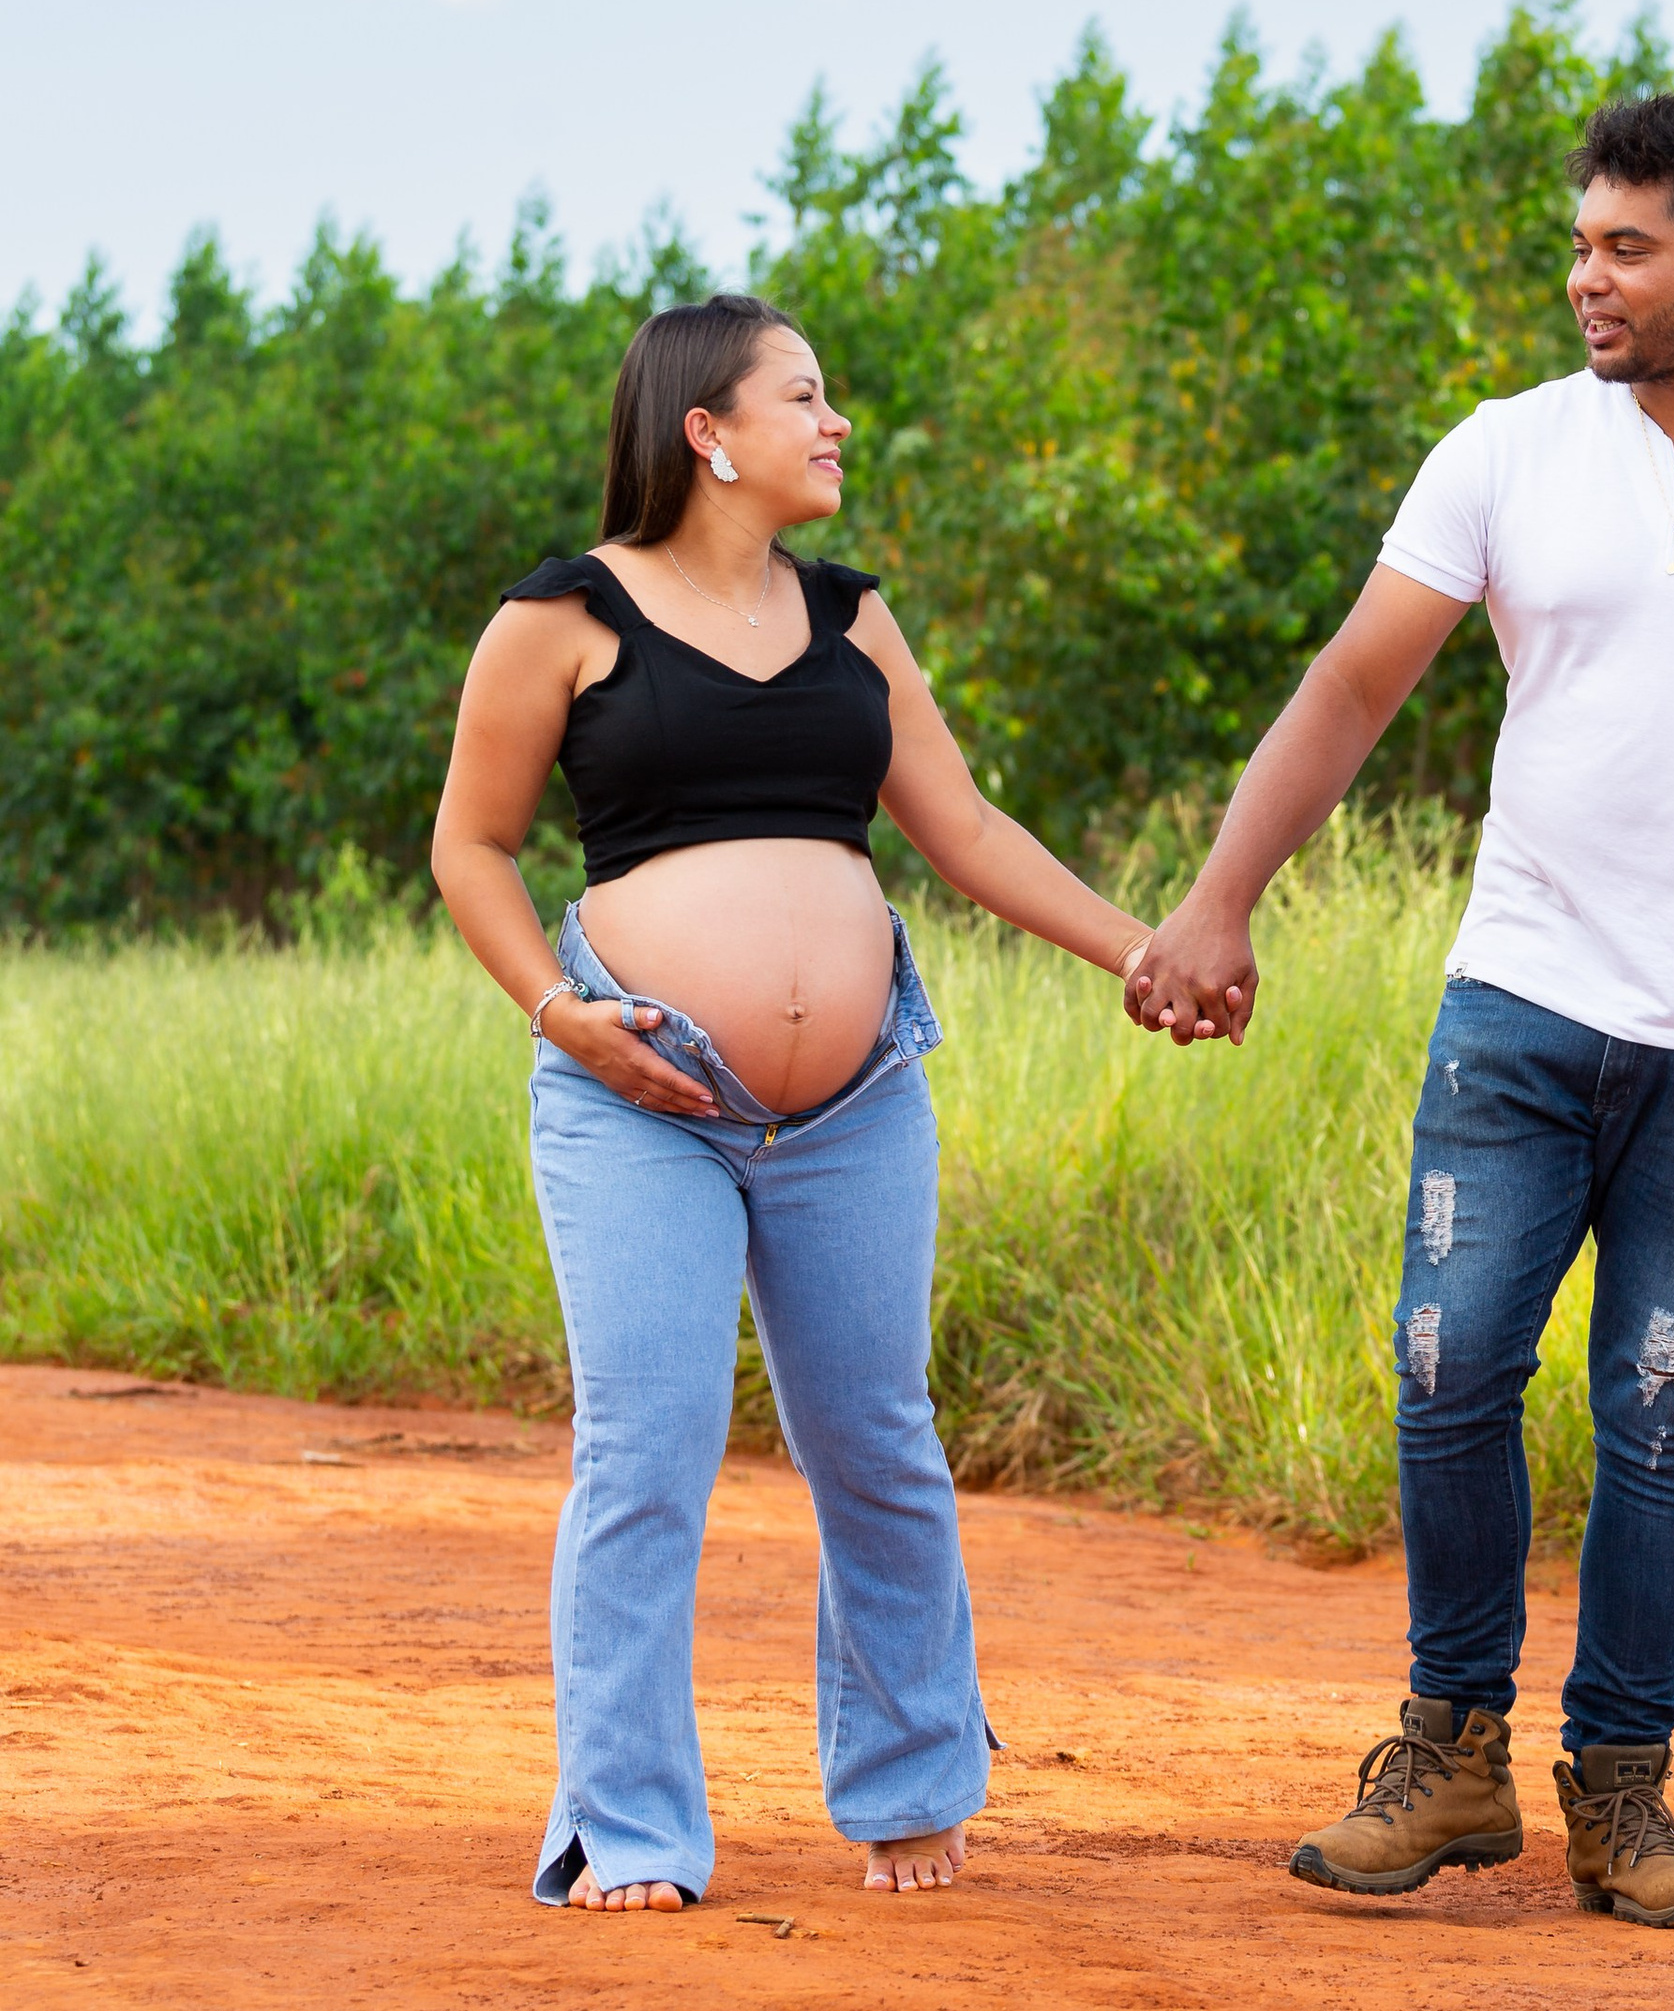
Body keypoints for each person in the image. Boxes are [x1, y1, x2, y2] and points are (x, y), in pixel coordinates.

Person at [1125, 93, 1674, 1931]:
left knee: (1664, 1409)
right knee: (1451, 1368)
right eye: (1582, 243)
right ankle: (1448, 1757)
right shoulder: (1505, 455)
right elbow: (1354, 687)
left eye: (1628, 248)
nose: (1587, 278)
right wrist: (1220, 894)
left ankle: (1622, 1788)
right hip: (1521, 996)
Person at [432, 294, 1156, 1913]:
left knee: (878, 1441)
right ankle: (625, 1829)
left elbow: (962, 828)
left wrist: (1141, 950)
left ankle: (908, 1786)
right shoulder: (560, 619)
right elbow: (469, 848)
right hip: (638, 1096)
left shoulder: (850, 616)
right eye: (806, 398)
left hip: (854, 1107)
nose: (836, 426)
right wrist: (563, 1017)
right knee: (648, 1453)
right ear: (708, 431)